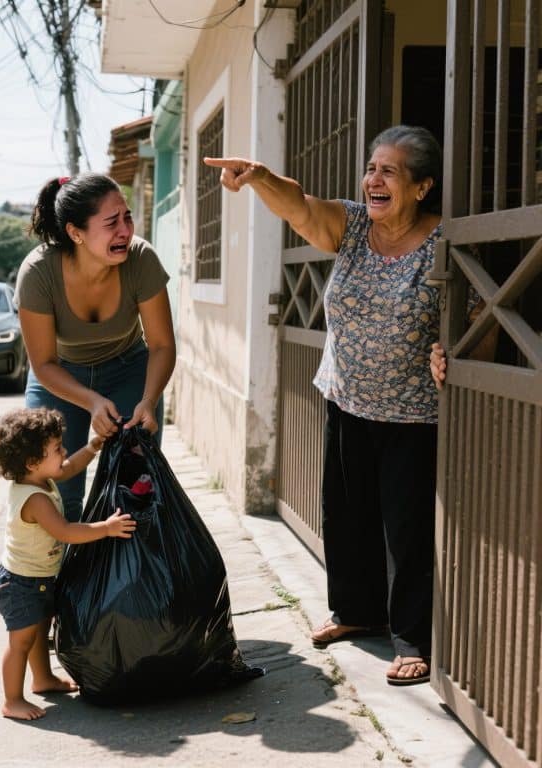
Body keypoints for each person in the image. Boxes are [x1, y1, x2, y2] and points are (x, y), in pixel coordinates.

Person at [205, 125, 445, 686]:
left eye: (389, 171)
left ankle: (412, 637)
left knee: (405, 529)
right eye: (371, 168)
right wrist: (260, 177)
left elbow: (475, 318)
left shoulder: (443, 243)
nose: (373, 179)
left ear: (421, 187)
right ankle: (356, 613)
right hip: (346, 396)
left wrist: (450, 351)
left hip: (412, 412)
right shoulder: (355, 225)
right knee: (345, 512)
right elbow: (301, 207)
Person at [15, 173, 176, 522]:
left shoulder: (142, 260)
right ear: (76, 233)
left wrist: (147, 401)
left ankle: (129, 576)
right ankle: (56, 575)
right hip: (60, 375)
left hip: (130, 368)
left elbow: (162, 345)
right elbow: (43, 364)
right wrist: (90, 401)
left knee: (136, 489)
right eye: (111, 222)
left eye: (127, 217)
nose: (125, 230)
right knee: (56, 492)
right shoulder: (38, 273)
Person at [0, 407, 136, 720]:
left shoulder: (41, 479)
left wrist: (93, 447)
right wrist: (106, 529)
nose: (63, 452)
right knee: (21, 642)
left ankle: (43, 679)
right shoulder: (35, 499)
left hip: (38, 577)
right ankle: (12, 700)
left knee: (41, 632)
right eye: (57, 449)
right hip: (20, 584)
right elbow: (66, 532)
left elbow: (68, 468)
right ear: (32, 462)